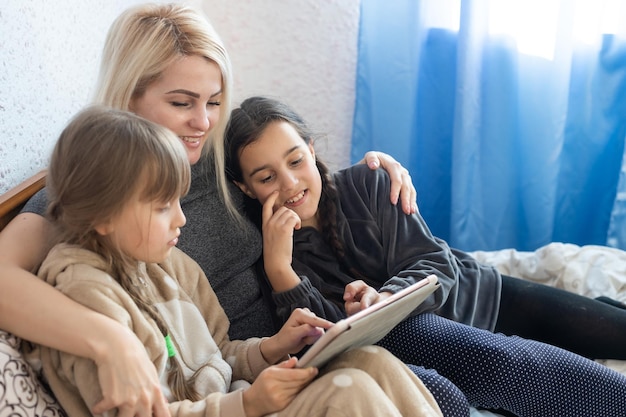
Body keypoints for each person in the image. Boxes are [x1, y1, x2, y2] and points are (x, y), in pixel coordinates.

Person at [0, 4, 418, 417]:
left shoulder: (213, 157)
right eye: (182, 103)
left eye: (214, 102)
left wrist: (373, 174)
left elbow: (293, 173)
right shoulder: (92, 190)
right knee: (388, 385)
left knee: (384, 367)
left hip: (276, 350)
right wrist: (111, 340)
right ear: (128, 95)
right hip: (235, 392)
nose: (203, 122)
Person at [223, 95, 626, 417]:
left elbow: (434, 261)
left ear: (311, 149)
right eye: (266, 177)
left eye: (295, 160)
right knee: (535, 372)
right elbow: (323, 343)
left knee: (610, 330)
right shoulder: (269, 255)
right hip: (434, 341)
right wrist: (281, 271)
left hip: (482, 298)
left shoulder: (369, 182)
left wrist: (386, 298)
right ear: (245, 188)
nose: (290, 182)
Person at [34, 105, 442, 417]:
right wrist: (246, 403)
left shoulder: (172, 264)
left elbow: (221, 351)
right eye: (162, 207)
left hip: (236, 403)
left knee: (366, 358)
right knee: (347, 389)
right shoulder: (83, 296)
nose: (182, 218)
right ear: (102, 215)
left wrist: (270, 349)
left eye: (179, 200)